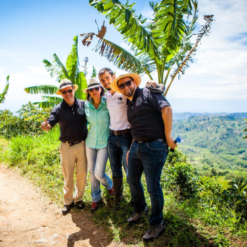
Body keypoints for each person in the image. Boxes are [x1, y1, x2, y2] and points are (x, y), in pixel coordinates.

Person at [110, 73, 177, 241]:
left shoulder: (148, 92)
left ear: (134, 82)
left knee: (153, 186)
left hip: (155, 146)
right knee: (131, 179)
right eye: (122, 86)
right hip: (137, 145)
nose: (126, 88)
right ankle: (140, 209)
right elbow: (135, 126)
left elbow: (167, 108)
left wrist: (168, 137)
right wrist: (132, 148)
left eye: (128, 83)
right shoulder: (129, 102)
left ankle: (157, 223)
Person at [41, 79, 87, 216]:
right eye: (64, 91)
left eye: (69, 90)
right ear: (61, 94)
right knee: (68, 175)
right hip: (66, 147)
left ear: (73, 90)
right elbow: (50, 123)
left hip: (82, 145)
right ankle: (68, 201)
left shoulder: (83, 105)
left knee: (82, 174)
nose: (67, 93)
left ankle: (79, 199)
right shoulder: (58, 109)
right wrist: (46, 127)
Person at [98, 68, 132, 208]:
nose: (106, 82)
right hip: (112, 137)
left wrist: (152, 84)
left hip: (126, 136)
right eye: (103, 80)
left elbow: (137, 93)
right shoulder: (106, 95)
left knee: (129, 169)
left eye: (107, 78)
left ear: (114, 76)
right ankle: (118, 199)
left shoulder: (123, 93)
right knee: (115, 169)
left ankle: (136, 200)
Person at [84, 78, 114, 212]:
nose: (94, 91)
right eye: (91, 89)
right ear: (88, 92)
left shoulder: (108, 103)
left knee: (99, 173)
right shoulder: (86, 106)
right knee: (92, 172)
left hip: (104, 143)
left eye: (97, 88)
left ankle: (110, 185)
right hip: (90, 142)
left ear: (101, 89)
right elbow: (82, 123)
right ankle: (96, 199)